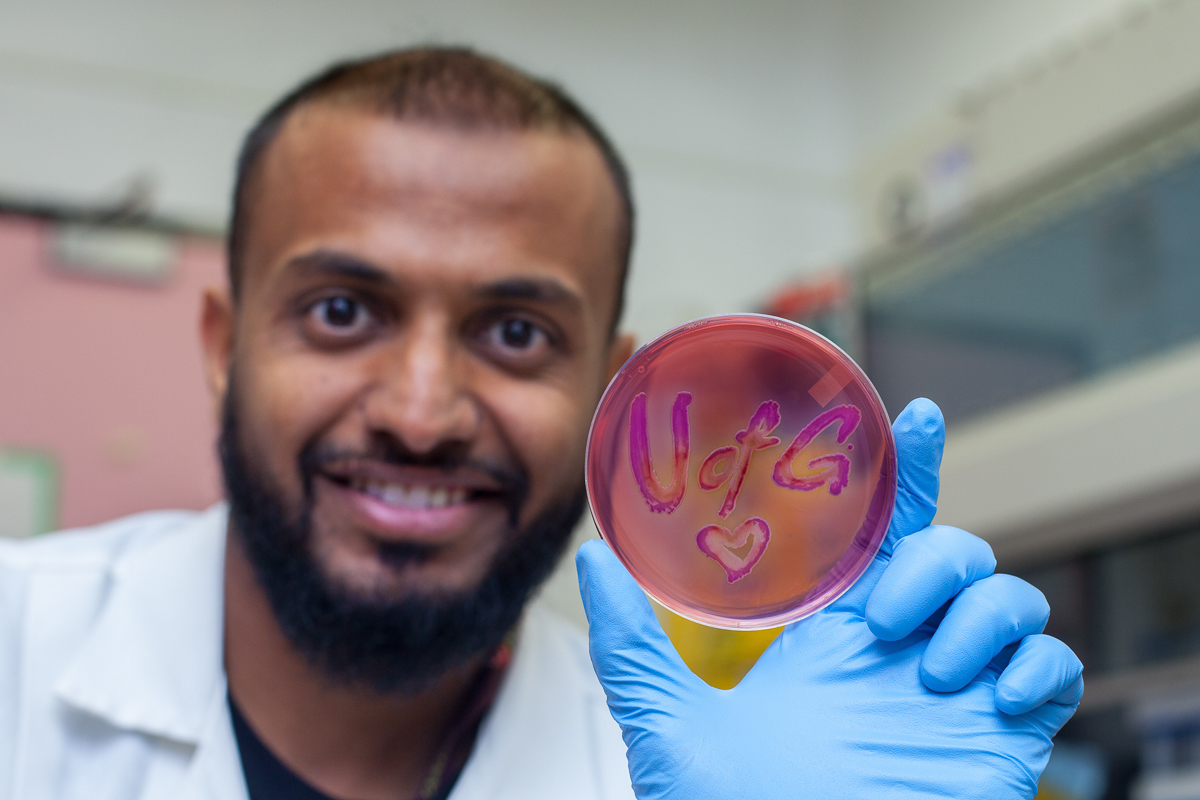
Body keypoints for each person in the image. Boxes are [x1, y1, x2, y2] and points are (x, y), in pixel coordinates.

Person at [0, 48, 1083, 800]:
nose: (421, 412)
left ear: (613, 392)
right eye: (342, 311)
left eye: (515, 332)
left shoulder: (678, 769)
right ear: (221, 344)